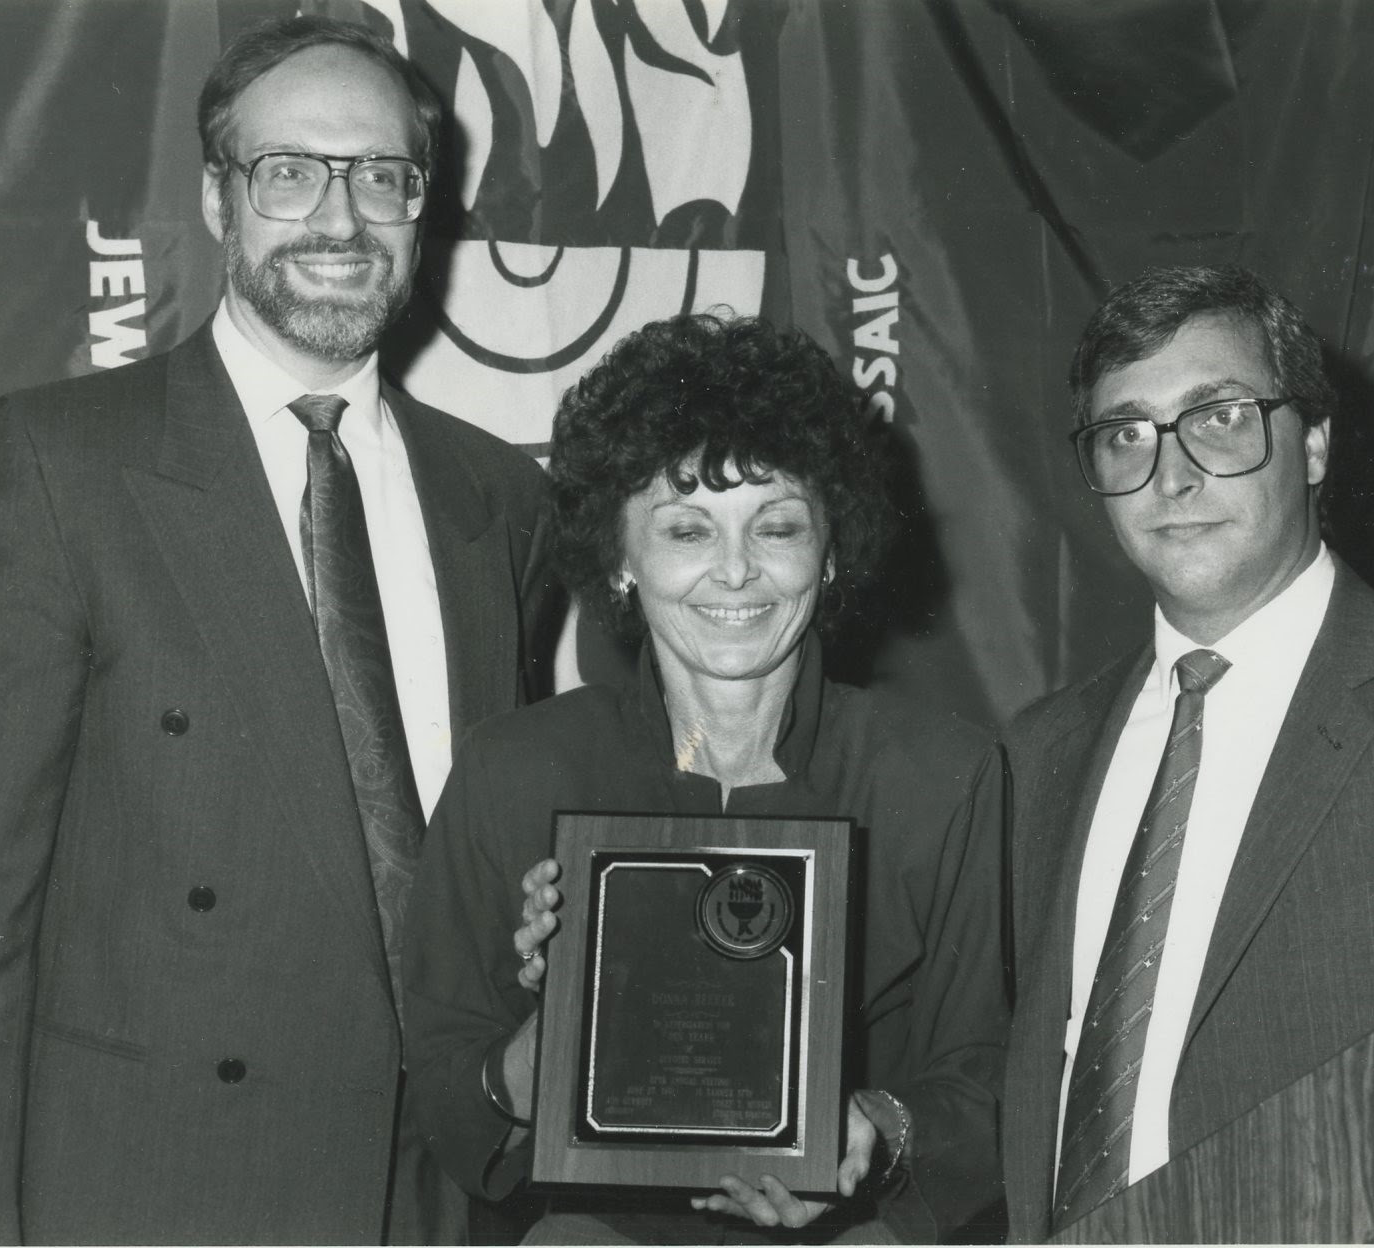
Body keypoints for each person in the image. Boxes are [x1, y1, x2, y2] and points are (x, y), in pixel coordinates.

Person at [0, 15, 558, 1245]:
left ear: (424, 205)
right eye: (289, 172)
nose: (341, 220)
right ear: (218, 197)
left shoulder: (496, 499)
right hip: (160, 1184)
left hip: (437, 1197)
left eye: (381, 177)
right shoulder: (65, 463)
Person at [403, 313, 1007, 1244]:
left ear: (831, 548)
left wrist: (875, 1133)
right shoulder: (514, 770)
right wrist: (546, 1046)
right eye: (686, 529)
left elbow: (990, 1075)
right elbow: (448, 1094)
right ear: (618, 557)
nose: (735, 571)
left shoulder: (942, 777)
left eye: (777, 526)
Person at [1001, 264, 1374, 1240]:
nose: (1172, 473)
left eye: (1220, 416)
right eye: (1125, 435)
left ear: (1314, 444)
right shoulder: (1044, 751)